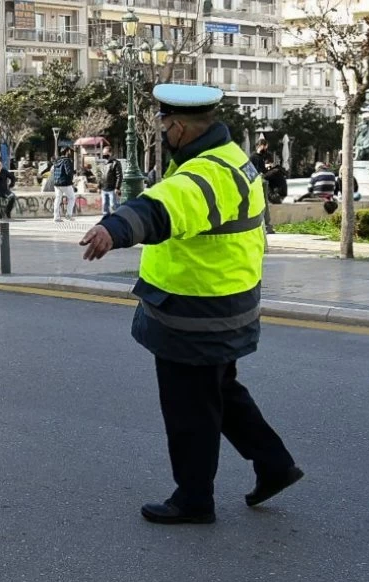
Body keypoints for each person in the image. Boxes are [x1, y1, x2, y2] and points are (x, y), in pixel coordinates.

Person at [78, 83, 302, 526]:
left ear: (178, 127)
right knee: (221, 393)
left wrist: (114, 229)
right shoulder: (235, 160)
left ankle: (194, 499)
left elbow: (160, 208)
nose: (161, 132)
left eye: (163, 126)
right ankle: (275, 465)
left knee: (189, 411)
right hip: (231, 301)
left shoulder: (199, 176)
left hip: (194, 312)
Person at [51, 147, 76, 222]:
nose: (70, 153)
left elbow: (52, 170)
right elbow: (68, 172)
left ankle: (56, 217)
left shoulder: (57, 160)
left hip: (56, 183)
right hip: (65, 183)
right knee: (72, 198)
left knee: (57, 199)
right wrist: (73, 175)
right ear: (67, 152)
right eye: (69, 151)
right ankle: (68, 215)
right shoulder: (67, 161)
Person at [101, 149, 122, 215]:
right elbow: (102, 176)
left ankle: (119, 218)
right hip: (104, 188)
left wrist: (117, 188)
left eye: (105, 153)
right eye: (103, 153)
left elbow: (119, 176)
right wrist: (99, 186)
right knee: (104, 206)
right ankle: (106, 220)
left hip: (112, 188)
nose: (104, 155)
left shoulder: (116, 163)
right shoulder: (104, 163)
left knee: (114, 205)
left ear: (110, 153)